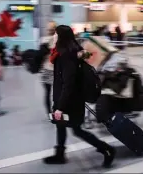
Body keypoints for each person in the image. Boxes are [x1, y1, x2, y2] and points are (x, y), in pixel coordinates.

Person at [43, 25, 115, 167]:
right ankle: (60, 154)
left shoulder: (66, 56)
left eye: (56, 35)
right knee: (61, 125)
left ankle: (107, 149)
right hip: (67, 98)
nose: (54, 36)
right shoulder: (69, 51)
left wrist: (60, 107)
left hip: (70, 101)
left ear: (62, 37)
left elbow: (68, 84)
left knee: (77, 130)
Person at [40, 22, 57, 117]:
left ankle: (53, 112)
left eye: (52, 29)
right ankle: (50, 113)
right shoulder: (45, 40)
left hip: (55, 71)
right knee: (49, 93)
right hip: (47, 70)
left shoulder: (45, 40)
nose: (50, 31)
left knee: (53, 93)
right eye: (49, 29)